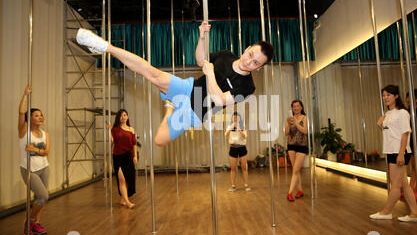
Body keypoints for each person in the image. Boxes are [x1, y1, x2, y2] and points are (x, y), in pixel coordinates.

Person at [75, 22, 273, 147]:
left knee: (159, 140)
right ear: (247, 49)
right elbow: (200, 59)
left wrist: (210, 73)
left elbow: (219, 100)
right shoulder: (226, 55)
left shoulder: (247, 88)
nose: (249, 61)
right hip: (188, 88)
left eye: (256, 62)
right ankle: (105, 46)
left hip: (195, 112)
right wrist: (202, 37)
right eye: (250, 54)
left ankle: (169, 109)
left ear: (259, 68)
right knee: (152, 74)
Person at [370, 85, 417, 222]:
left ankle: (386, 212)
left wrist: (401, 153)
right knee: (403, 183)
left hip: (399, 151)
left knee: (395, 184)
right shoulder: (388, 114)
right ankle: (414, 214)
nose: (385, 97)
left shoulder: (402, 113)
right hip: (391, 151)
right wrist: (380, 125)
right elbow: (391, 134)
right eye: (384, 95)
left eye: (388, 95)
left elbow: (405, 134)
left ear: (396, 96)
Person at [18, 86, 50, 235]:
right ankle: (29, 221)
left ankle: (36, 223)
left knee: (41, 199)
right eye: (37, 115)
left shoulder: (45, 134)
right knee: (44, 195)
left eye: (41, 115)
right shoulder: (24, 131)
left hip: (44, 168)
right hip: (29, 169)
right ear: (30, 118)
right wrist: (25, 95)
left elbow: (46, 152)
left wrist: (35, 150)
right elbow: (21, 112)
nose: (40, 117)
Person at [108, 109, 137, 209]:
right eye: (121, 116)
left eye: (125, 115)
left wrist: (135, 156)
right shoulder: (115, 130)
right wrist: (109, 131)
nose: (123, 117)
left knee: (129, 180)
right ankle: (128, 203)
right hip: (118, 157)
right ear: (118, 118)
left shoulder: (131, 129)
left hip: (128, 157)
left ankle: (123, 198)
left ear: (127, 117)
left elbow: (134, 144)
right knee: (122, 180)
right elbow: (111, 141)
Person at [285, 100, 308, 202]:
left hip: (302, 146)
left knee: (295, 170)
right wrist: (288, 123)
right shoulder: (289, 119)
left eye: (297, 106)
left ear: (301, 107)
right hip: (291, 146)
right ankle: (300, 191)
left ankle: (289, 193)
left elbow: (305, 131)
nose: (296, 108)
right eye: (294, 106)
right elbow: (286, 133)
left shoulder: (305, 118)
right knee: (296, 171)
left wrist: (296, 123)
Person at [225, 112, 250, 192]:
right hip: (233, 148)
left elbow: (245, 136)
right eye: (234, 118)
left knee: (244, 167)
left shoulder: (243, 126)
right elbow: (226, 134)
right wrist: (231, 127)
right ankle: (233, 186)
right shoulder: (230, 126)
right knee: (233, 168)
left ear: (240, 118)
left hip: (242, 147)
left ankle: (246, 185)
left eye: (237, 118)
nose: (235, 119)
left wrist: (239, 129)